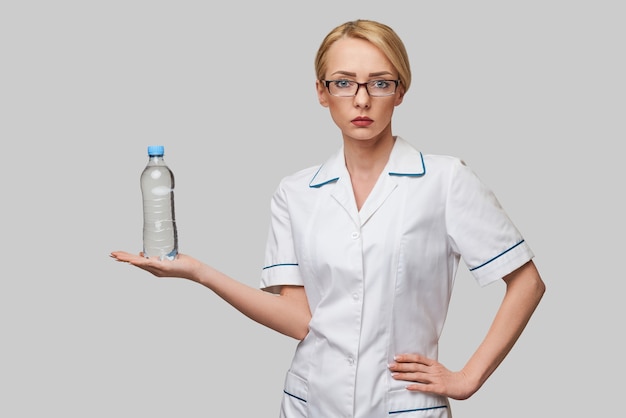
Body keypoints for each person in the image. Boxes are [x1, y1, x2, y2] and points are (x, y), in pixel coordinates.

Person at [111, 19, 545, 418]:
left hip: (403, 405)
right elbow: (298, 320)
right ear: (321, 92)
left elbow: (527, 281)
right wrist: (199, 272)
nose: (361, 99)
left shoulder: (445, 180)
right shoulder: (296, 192)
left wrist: (467, 379)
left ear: (401, 91)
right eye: (343, 83)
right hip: (310, 404)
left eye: (379, 83)